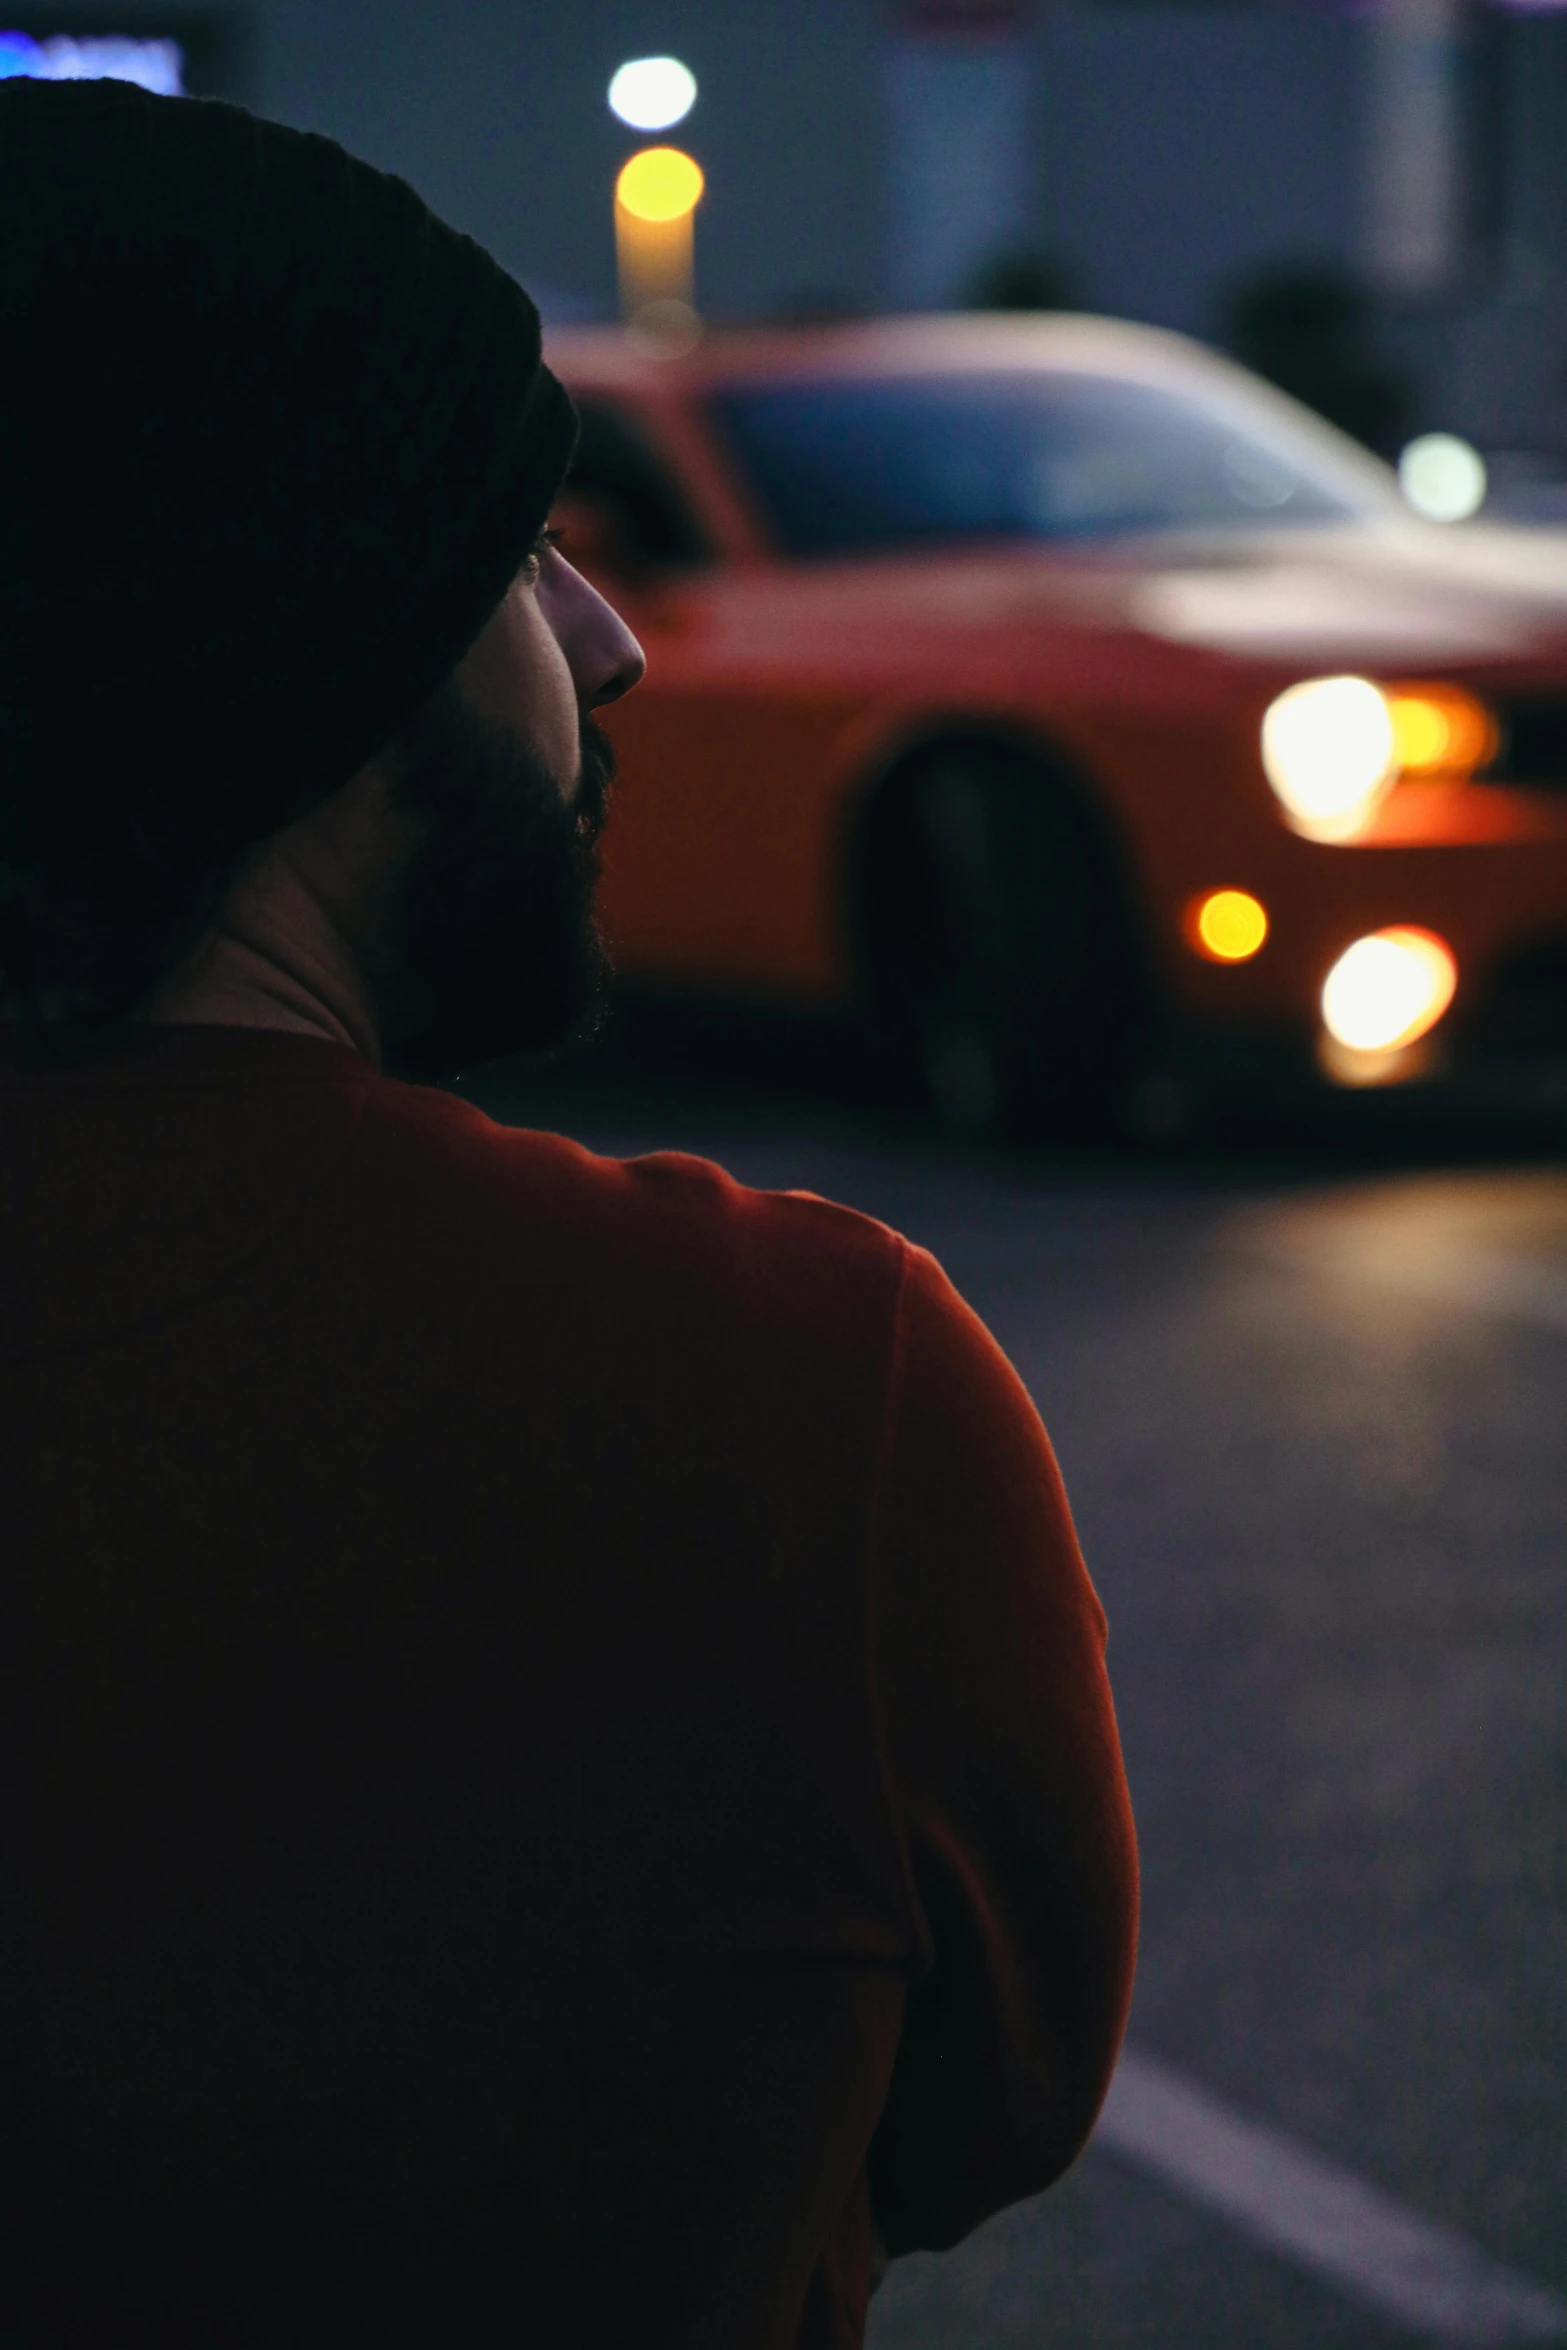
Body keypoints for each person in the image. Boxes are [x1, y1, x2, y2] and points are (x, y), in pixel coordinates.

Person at [0, 78, 1137, 2350]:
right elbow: (976, 2117)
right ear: (300, 627)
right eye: (518, 549)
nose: (606, 641)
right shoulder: (809, 1386)